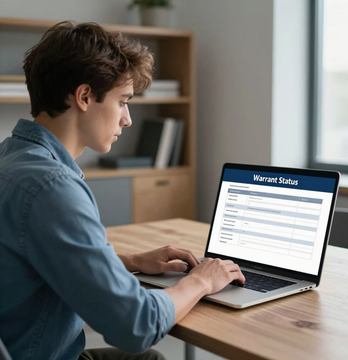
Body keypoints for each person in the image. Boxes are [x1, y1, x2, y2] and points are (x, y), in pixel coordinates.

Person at [0, 21, 245, 360]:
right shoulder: (52, 187)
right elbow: (136, 325)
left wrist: (128, 262)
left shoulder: (10, 158)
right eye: (122, 101)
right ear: (85, 96)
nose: (127, 119)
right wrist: (201, 281)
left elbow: (34, 259)